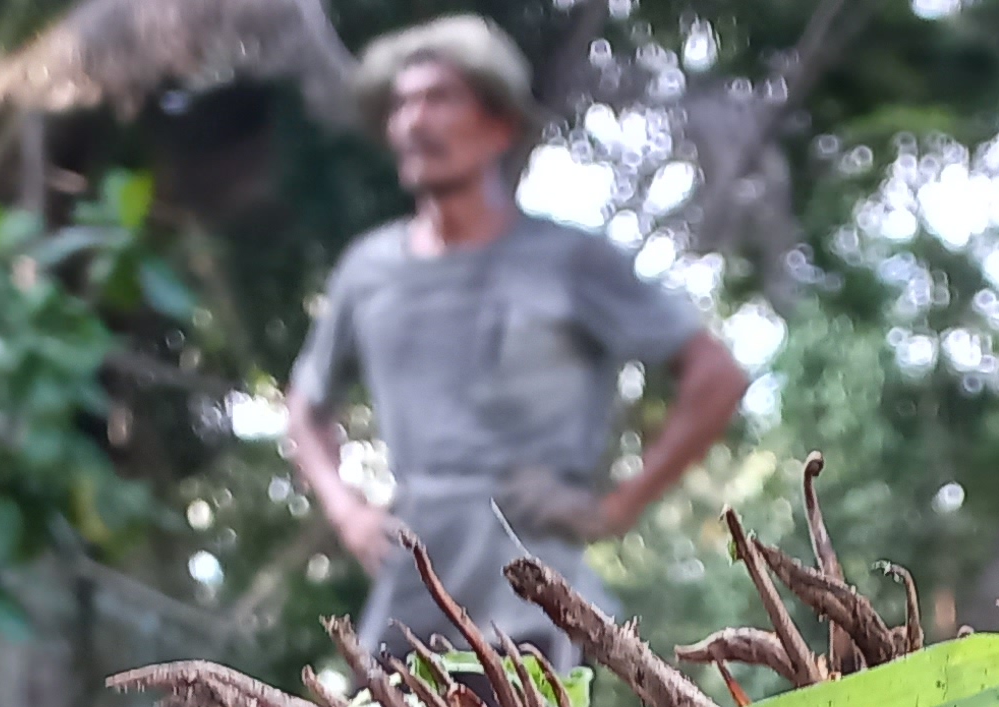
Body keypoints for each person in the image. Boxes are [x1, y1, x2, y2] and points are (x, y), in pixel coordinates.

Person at [284, 15, 749, 663]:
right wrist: (347, 512)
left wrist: (616, 508)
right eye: (402, 104)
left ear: (499, 125)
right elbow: (304, 408)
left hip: (530, 575)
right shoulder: (368, 269)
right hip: (413, 577)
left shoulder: (569, 259)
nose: (415, 122)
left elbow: (716, 377)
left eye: (440, 99)